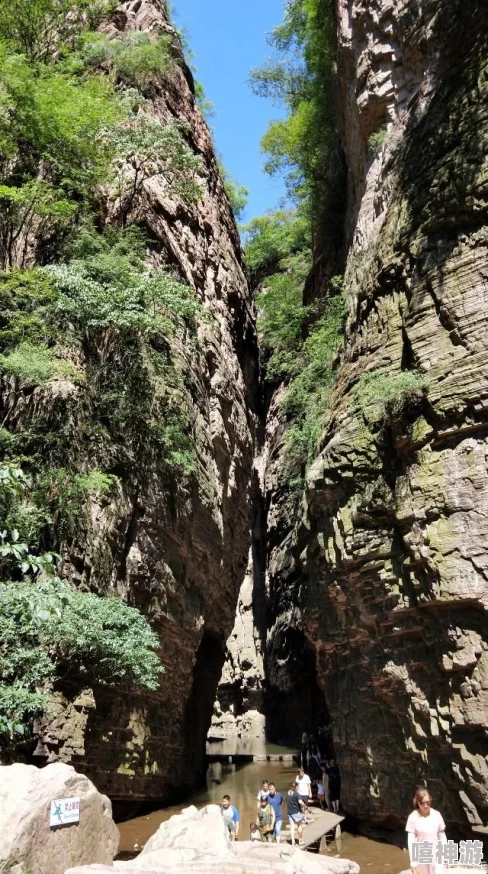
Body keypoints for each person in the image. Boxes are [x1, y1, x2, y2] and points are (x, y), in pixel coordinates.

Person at [406, 788, 447, 874]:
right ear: (417, 802)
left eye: (428, 803)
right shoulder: (412, 817)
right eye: (422, 803)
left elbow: (442, 835)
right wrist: (413, 860)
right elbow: (411, 840)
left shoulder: (437, 815)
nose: (425, 806)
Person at [286, 780, 307, 846]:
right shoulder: (296, 794)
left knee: (292, 827)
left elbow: (287, 801)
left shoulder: (288, 793)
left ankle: (293, 842)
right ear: (296, 787)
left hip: (289, 812)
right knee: (299, 826)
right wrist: (305, 806)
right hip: (296, 812)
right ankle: (300, 840)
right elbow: (300, 802)